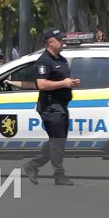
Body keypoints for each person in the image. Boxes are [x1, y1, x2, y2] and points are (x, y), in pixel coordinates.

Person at [14, 27, 80, 186]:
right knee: (57, 142)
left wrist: (70, 83)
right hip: (50, 106)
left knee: (57, 141)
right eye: (60, 39)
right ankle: (58, 174)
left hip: (61, 105)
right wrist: (64, 83)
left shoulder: (61, 59)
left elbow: (61, 79)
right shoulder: (44, 61)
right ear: (50, 42)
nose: (62, 42)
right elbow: (42, 84)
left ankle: (33, 165)